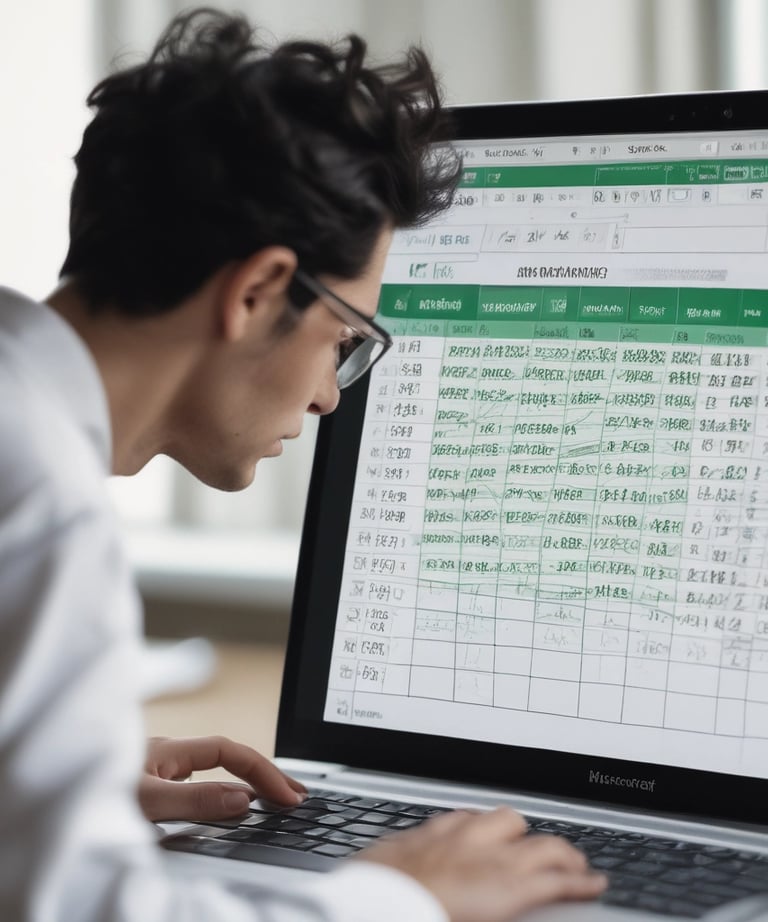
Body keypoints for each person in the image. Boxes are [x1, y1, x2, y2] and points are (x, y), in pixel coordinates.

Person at [0, 8, 607, 922]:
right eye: (344, 340)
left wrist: (45, 793)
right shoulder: (41, 503)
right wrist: (403, 897)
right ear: (255, 291)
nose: (330, 395)